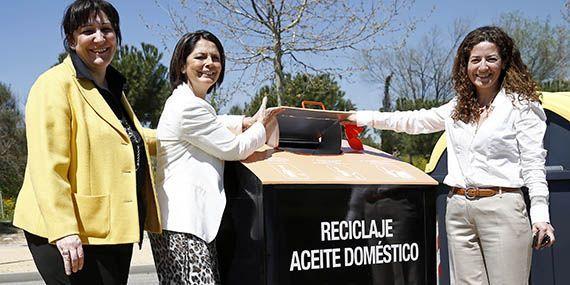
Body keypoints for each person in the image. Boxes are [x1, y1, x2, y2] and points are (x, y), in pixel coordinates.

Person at [347, 26, 555, 284]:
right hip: (458, 209)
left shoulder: (522, 106)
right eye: (475, 60)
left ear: (504, 63)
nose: (482, 67)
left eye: (491, 59)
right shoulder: (458, 107)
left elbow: (534, 165)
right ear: (465, 65)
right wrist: (361, 118)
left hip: (502, 206)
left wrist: (541, 217)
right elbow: (414, 121)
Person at [12, 0, 161, 283]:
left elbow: (136, 138)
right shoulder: (54, 84)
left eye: (106, 29)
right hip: (69, 232)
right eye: (87, 30)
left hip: (111, 227)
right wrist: (64, 230)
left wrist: (224, 129)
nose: (99, 38)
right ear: (71, 39)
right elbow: (47, 165)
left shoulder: (110, 86)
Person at [149, 30, 279, 284]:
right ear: (182, 65)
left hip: (184, 226)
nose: (209, 63)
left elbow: (213, 124)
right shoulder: (188, 107)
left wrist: (244, 121)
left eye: (216, 58)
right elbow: (234, 149)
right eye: (200, 57)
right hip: (184, 226)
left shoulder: (187, 103)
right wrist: (263, 126)